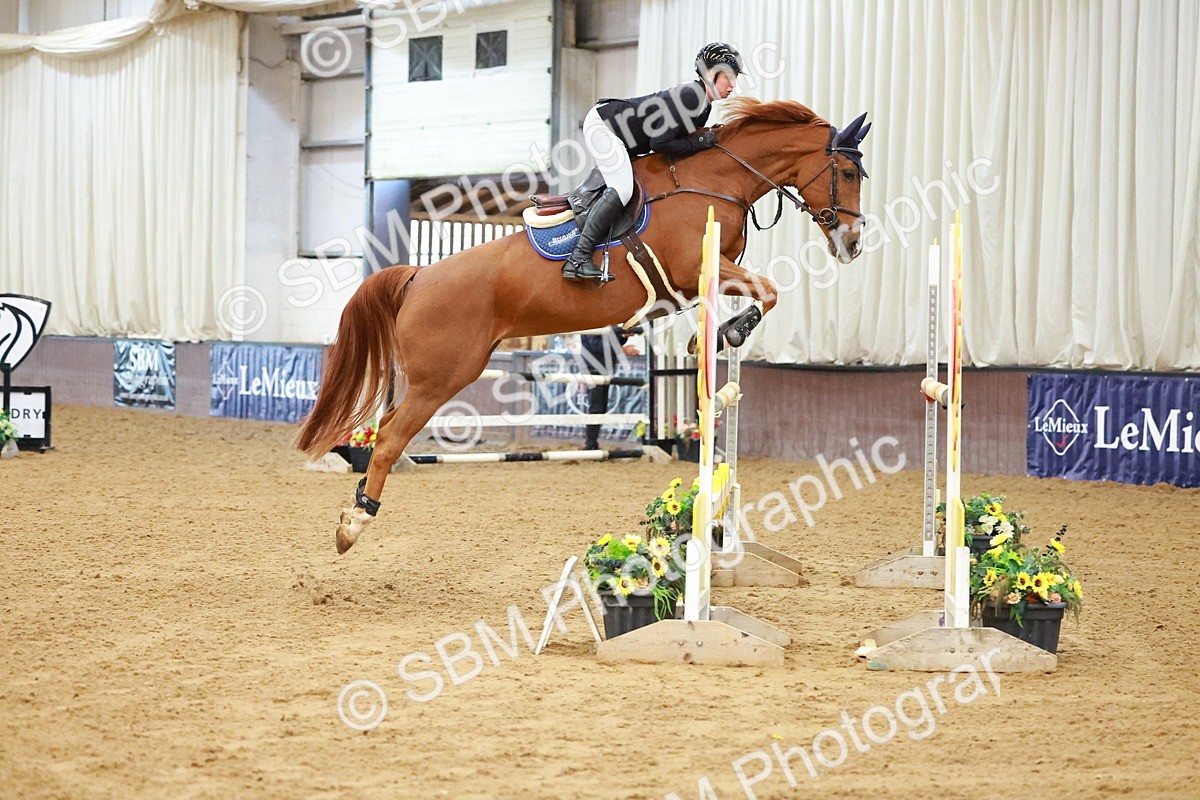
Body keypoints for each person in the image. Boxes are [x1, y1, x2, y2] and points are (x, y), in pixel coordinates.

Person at [562, 42, 745, 282]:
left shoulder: (703, 105)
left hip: (620, 132)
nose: (733, 85)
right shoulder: (691, 96)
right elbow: (661, 143)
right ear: (710, 73)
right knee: (623, 189)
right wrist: (700, 142)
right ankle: (578, 258)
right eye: (728, 78)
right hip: (604, 126)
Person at [581, 326, 640, 450]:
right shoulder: (590, 322)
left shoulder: (599, 321)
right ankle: (590, 443)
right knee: (596, 407)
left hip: (602, 368)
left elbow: (607, 342)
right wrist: (622, 349)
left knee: (601, 407)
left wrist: (622, 337)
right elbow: (597, 345)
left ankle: (592, 442)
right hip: (594, 368)